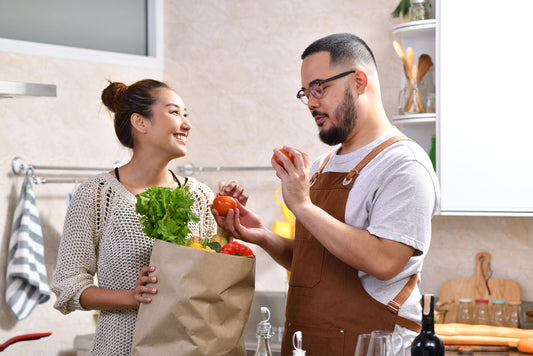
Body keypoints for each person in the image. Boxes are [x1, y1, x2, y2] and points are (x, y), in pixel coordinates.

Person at [213, 33, 440, 355]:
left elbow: (385, 260)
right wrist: (262, 236)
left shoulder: (403, 164)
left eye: (320, 88)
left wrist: (303, 205)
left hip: (371, 345)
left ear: (359, 82)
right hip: (309, 343)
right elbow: (313, 261)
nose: (311, 103)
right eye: (305, 93)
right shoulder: (321, 166)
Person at [51, 79, 246, 355]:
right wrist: (131, 297)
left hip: (188, 347)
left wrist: (228, 231)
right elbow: (68, 286)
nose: (187, 124)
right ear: (140, 123)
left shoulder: (199, 195)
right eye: (174, 112)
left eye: (185, 114)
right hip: (119, 347)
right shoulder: (95, 195)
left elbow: (211, 280)